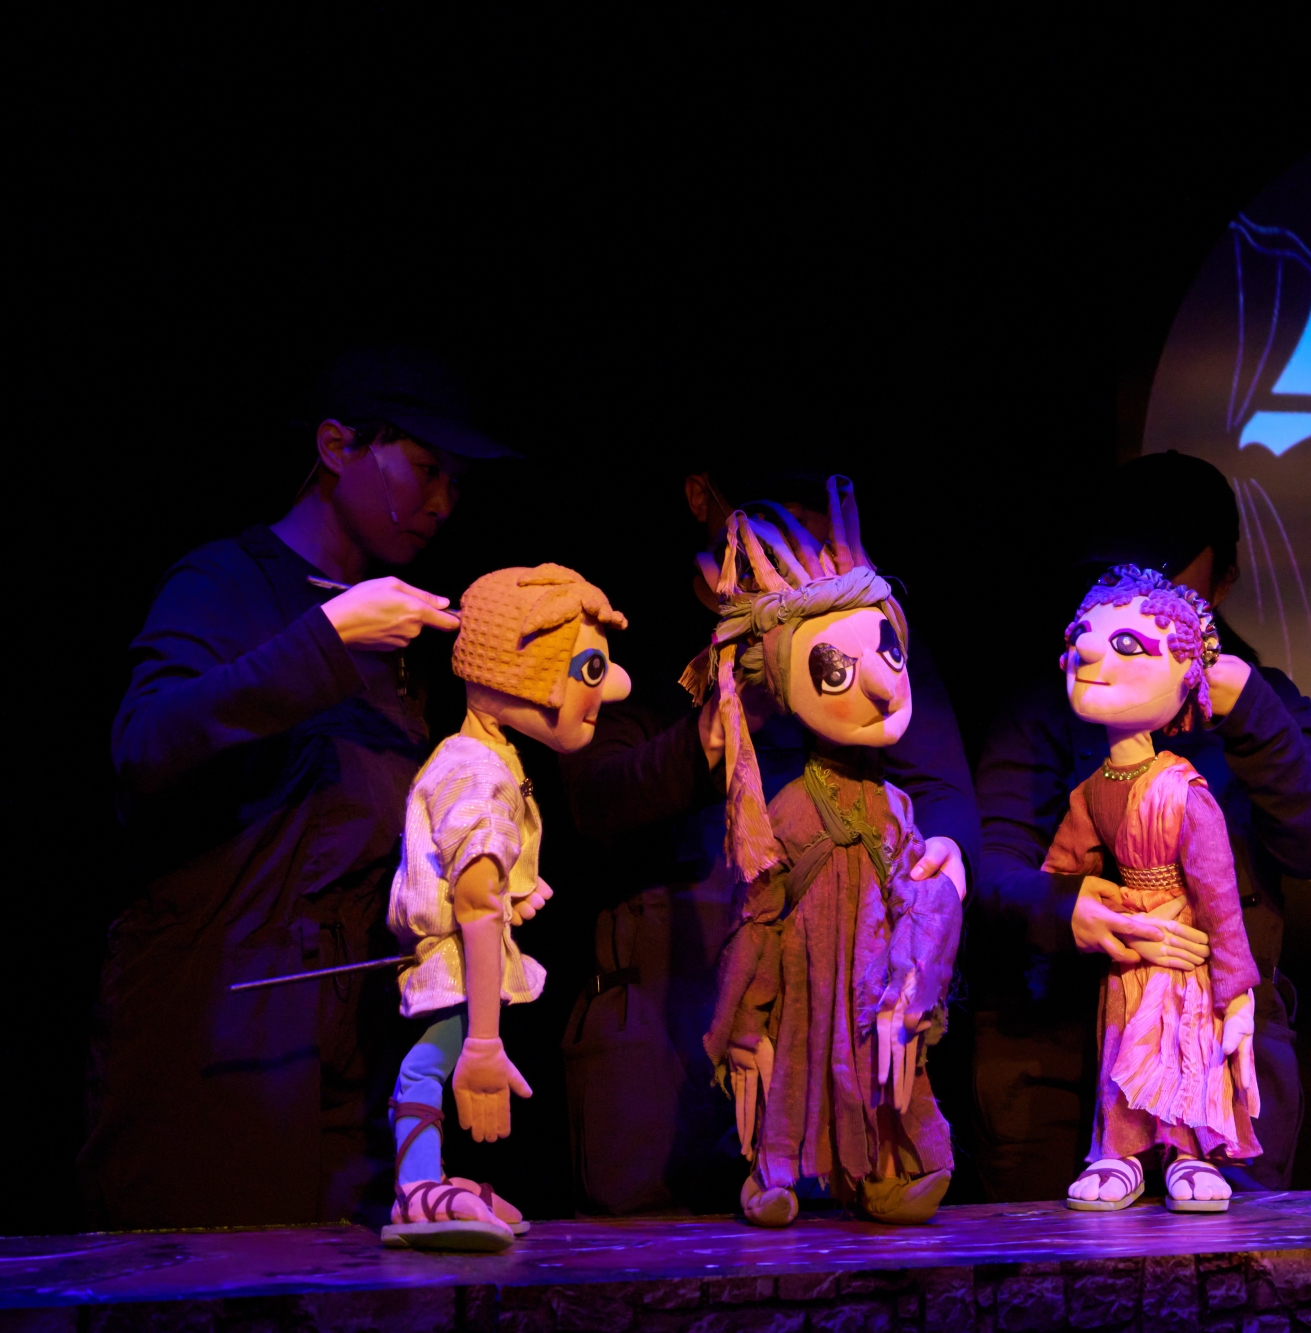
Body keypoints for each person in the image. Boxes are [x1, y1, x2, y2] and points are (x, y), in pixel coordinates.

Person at [84, 347, 514, 1228]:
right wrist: (326, 636)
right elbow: (144, 747)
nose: (443, 502)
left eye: (457, 482)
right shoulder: (224, 584)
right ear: (336, 446)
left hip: (352, 1046)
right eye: (425, 468)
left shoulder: (402, 635)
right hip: (219, 1035)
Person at [557, 466, 978, 1216]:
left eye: (821, 515)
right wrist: (716, 729)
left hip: (840, 994)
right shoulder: (634, 630)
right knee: (657, 1239)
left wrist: (943, 857)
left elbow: (940, 784)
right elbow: (596, 800)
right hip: (669, 1009)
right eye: (786, 510)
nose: (811, 537)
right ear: (704, 498)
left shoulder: (857, 613)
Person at [971, 450, 1311, 1202]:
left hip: (1220, 1050)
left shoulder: (1262, 702)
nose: (1142, 589)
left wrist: (1247, 712)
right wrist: (1064, 907)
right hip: (1060, 1052)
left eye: (1166, 568)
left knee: (1222, 1260)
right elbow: (993, 863)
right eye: (1122, 568)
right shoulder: (1051, 702)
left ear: (1223, 579)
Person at [702, 500, 960, 1226]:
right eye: (838, 668)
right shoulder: (786, 810)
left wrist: (918, 969)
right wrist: (743, 1020)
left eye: (888, 652)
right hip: (806, 981)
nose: (879, 682)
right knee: (792, 1063)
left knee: (888, 1061)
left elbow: (917, 893)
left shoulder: (896, 806)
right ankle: (774, 1172)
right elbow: (758, 918)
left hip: (878, 984)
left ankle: (887, 1171)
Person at [382, 564, 631, 1252]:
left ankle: (424, 1178)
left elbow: (481, 881)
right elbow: (474, 903)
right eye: (588, 668)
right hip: (458, 959)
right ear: (524, 672)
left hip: (470, 952)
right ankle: (415, 1186)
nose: (613, 686)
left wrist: (515, 887)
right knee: (432, 1060)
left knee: (435, 1056)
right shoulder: (476, 770)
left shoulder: (487, 758)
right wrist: (487, 1046)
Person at [1049, 565, 1261, 1213]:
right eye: (1082, 636)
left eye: (1127, 644)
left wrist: (1237, 994)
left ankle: (1188, 1152)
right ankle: (1119, 1151)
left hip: (1182, 947)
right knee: (1123, 1046)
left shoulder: (1183, 792)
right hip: (1129, 946)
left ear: (1186, 674)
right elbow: (1062, 874)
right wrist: (1084, 912)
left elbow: (1220, 899)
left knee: (1181, 1044)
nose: (1090, 651)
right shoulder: (1092, 790)